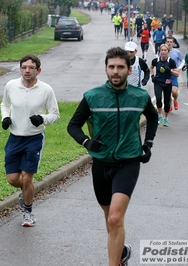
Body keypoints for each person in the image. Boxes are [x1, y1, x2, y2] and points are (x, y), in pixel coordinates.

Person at [67, 47, 158, 266]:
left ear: (128, 69)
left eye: (120, 67)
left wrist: (148, 143)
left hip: (128, 161)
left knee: (116, 217)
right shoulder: (93, 96)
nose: (115, 71)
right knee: (110, 221)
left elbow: (152, 118)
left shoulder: (140, 96)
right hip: (101, 164)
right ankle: (122, 252)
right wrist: (87, 142)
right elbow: (73, 126)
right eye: (111, 67)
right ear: (106, 69)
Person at [0, 54, 60, 227]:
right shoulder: (11, 86)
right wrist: (5, 117)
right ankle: (26, 192)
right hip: (15, 137)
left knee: (27, 178)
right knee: (13, 179)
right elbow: (5, 104)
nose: (27, 70)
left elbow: (55, 114)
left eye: (31, 67)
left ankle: (28, 212)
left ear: (38, 70)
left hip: (34, 139)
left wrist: (42, 118)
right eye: (24, 67)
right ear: (20, 69)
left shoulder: (46, 90)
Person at [150, 44, 179, 127]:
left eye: (165, 50)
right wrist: (152, 76)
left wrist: (169, 71)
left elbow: (177, 74)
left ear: (168, 52)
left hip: (167, 84)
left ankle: (166, 118)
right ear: (160, 51)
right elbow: (151, 67)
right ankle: (159, 115)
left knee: (167, 102)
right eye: (162, 50)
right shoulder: (156, 60)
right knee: (158, 99)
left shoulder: (171, 61)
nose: (163, 52)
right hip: (158, 82)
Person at [164, 36, 184, 112]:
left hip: (174, 74)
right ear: (165, 43)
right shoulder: (163, 51)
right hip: (166, 75)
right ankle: (169, 105)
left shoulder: (177, 52)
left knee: (174, 91)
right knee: (168, 92)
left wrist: (179, 68)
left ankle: (175, 99)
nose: (169, 43)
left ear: (173, 43)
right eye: (168, 42)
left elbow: (183, 61)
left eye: (170, 42)